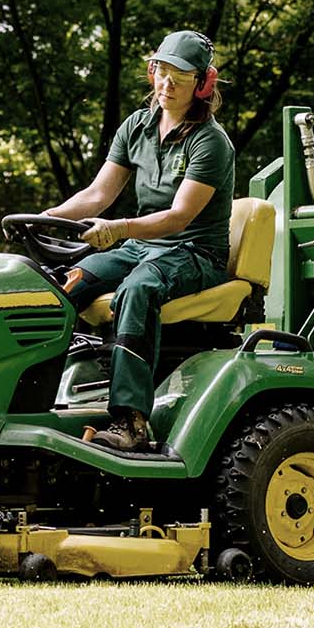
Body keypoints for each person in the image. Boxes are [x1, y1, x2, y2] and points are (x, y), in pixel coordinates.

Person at [43, 30, 236, 452]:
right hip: (143, 247)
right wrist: (48, 218)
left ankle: (131, 422)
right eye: (161, 72)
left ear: (202, 84)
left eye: (179, 77)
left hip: (193, 252)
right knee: (65, 284)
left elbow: (179, 216)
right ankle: (41, 397)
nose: (166, 84)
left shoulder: (211, 143)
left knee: (137, 289)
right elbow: (98, 195)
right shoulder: (137, 126)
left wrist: (118, 229)